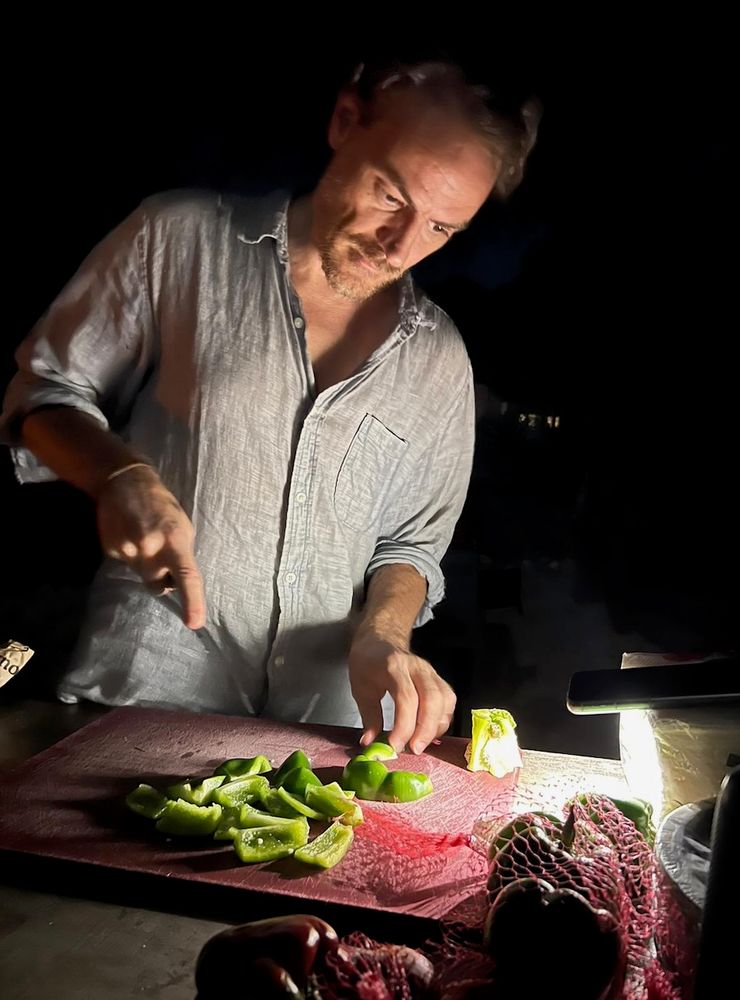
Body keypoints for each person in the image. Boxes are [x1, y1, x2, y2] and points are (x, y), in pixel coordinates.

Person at [1, 55, 539, 753]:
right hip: (143, 696)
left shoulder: (439, 358)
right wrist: (118, 476)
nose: (402, 246)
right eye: (391, 196)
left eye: (441, 229)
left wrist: (383, 636)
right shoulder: (177, 238)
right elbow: (43, 396)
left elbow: (411, 545)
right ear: (345, 121)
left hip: (325, 726)